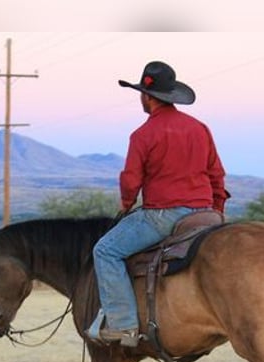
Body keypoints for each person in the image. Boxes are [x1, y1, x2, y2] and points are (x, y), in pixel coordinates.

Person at [86, 60, 229, 347]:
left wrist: (126, 205)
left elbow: (131, 180)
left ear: (147, 96)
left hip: (164, 215)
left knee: (105, 250)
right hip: (206, 215)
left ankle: (124, 326)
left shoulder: (143, 135)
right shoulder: (200, 128)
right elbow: (217, 173)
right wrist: (217, 211)